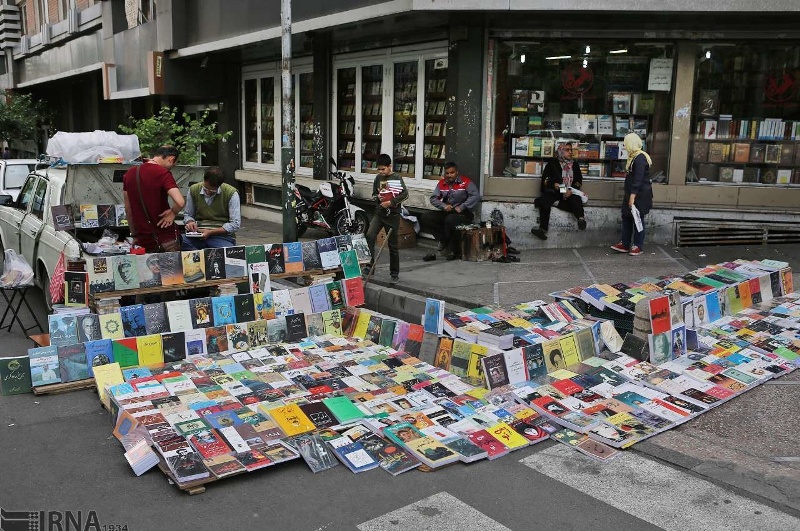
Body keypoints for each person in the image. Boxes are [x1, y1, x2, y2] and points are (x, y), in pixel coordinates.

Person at [123, 145, 185, 252]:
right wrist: (172, 213)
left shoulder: (129, 174)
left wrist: (134, 235)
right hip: (166, 239)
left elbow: (128, 209)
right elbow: (180, 202)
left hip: (143, 240)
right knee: (172, 269)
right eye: (174, 164)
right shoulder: (163, 173)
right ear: (171, 159)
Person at [422, 161, 481, 260]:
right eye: (447, 173)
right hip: (448, 211)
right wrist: (443, 206)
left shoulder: (465, 182)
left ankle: (453, 249)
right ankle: (443, 240)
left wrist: (462, 207)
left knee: (450, 220)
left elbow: (475, 195)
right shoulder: (441, 183)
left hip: (463, 213)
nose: (449, 175)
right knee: (426, 217)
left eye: (452, 173)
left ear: (457, 172)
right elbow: (433, 198)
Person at [364, 153, 409, 284]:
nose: (381, 172)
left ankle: (394, 272)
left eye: (383, 169)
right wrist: (377, 197)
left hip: (392, 215)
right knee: (370, 235)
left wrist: (391, 202)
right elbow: (374, 194)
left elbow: (405, 194)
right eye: (379, 169)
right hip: (379, 213)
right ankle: (369, 266)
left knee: (393, 245)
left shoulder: (397, 177)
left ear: (390, 166)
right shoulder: (378, 178)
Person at [531, 142, 587, 240]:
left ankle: (581, 219)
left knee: (576, 199)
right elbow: (546, 180)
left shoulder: (575, 165)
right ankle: (542, 229)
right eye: (567, 150)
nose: (570, 152)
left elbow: (578, 181)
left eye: (571, 150)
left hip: (569, 192)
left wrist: (570, 190)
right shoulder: (552, 164)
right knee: (545, 200)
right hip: (555, 192)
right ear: (560, 151)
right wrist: (557, 186)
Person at [610, 133, 653, 256]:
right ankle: (625, 243)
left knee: (637, 219)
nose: (624, 145)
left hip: (639, 195)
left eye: (626, 143)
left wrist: (633, 196)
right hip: (630, 193)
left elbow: (638, 179)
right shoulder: (633, 157)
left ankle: (638, 245)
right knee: (626, 217)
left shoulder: (640, 158)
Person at [181, 166, 241, 250]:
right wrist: (190, 222)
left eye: (213, 191)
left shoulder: (231, 193)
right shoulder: (193, 189)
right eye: (206, 189)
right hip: (197, 234)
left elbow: (235, 224)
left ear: (219, 185)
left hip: (221, 237)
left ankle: (203, 255)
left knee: (228, 252)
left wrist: (210, 232)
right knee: (178, 242)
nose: (208, 192)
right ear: (204, 180)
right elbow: (188, 214)